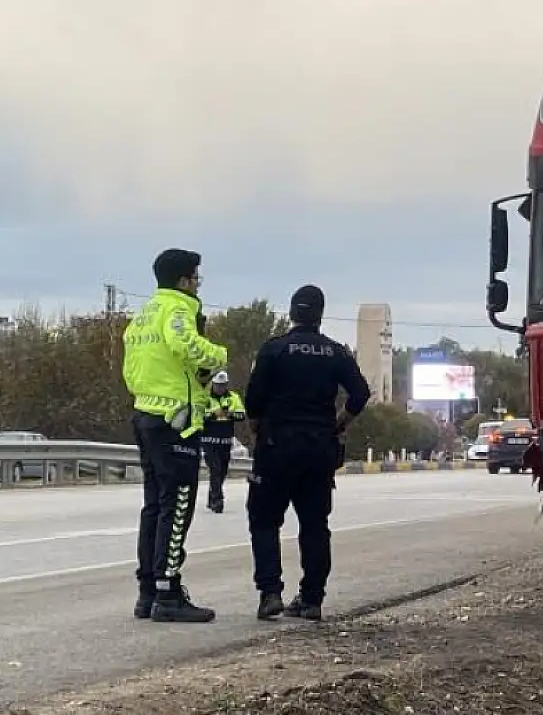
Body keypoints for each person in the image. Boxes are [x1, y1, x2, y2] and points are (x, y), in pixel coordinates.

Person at [245, 285, 371, 622]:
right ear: (320, 314)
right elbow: (360, 393)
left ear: (291, 313)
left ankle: (270, 593)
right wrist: (341, 422)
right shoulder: (336, 352)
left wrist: (257, 425)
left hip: (277, 446)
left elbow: (252, 400)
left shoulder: (274, 350)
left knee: (264, 519)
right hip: (319, 447)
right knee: (315, 524)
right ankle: (312, 598)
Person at [122, 248, 228, 623]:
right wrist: (218, 356)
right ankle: (168, 592)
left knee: (154, 504)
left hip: (146, 413)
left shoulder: (144, 313)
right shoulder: (179, 308)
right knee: (178, 503)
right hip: (175, 417)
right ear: (184, 280)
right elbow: (186, 343)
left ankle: (148, 590)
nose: (198, 284)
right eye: (197, 278)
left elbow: (131, 368)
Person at [202, 371, 246, 513]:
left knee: (222, 472)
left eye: (223, 385)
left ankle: (211, 497)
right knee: (215, 470)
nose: (220, 388)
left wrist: (228, 414)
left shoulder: (233, 397)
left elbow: (241, 415)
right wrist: (213, 415)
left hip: (226, 442)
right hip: (209, 441)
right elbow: (199, 414)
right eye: (218, 385)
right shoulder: (204, 398)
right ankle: (217, 501)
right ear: (213, 384)